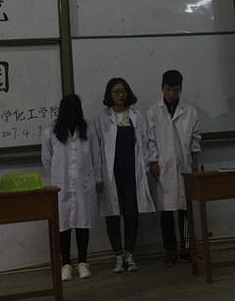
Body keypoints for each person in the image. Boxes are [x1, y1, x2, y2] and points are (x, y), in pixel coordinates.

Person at [93, 77, 158, 273]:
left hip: (132, 170)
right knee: (112, 214)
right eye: (116, 92)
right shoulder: (101, 120)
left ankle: (130, 253)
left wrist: (146, 167)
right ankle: (118, 255)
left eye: (123, 91)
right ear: (109, 95)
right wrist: (98, 176)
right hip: (111, 172)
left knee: (131, 212)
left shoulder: (137, 117)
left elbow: (146, 143)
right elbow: (96, 150)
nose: (121, 95)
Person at [41, 94, 102, 281]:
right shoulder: (51, 132)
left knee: (83, 223)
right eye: (69, 109)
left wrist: (98, 179)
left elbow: (96, 156)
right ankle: (65, 264)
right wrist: (59, 176)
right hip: (62, 185)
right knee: (63, 225)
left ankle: (83, 262)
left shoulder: (89, 129)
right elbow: (47, 160)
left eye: (75, 109)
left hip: (84, 184)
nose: (72, 113)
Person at [146, 69, 201, 267]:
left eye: (175, 90)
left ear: (180, 89)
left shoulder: (190, 111)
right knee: (167, 210)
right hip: (164, 166)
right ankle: (170, 250)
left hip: (184, 165)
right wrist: (153, 161)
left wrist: (194, 162)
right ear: (162, 88)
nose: (171, 93)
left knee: (185, 208)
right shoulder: (153, 111)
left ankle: (186, 248)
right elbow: (150, 140)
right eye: (168, 89)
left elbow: (195, 139)